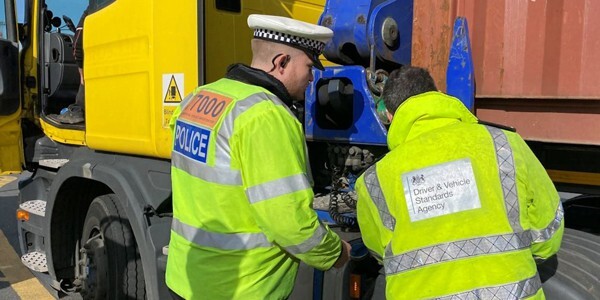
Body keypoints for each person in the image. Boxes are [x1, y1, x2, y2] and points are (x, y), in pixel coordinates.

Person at [165, 14, 351, 299]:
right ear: (282, 62)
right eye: (309, 67)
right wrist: (335, 252)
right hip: (240, 287)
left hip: (186, 278)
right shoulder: (266, 116)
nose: (312, 79)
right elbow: (289, 223)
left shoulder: (198, 97)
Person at [355, 65, 564, 299]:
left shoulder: (374, 180)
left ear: (390, 115)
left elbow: (379, 251)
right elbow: (548, 225)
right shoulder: (505, 144)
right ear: (437, 95)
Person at [57, 6, 87, 124]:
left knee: (84, 80)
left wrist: (81, 71)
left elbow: (78, 45)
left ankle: (77, 111)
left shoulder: (95, 8)